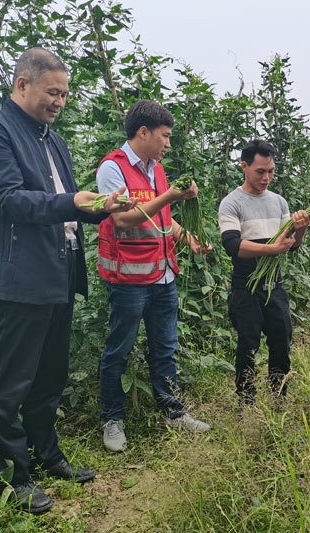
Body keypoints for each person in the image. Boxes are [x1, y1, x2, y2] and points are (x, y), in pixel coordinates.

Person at [0, 47, 137, 513]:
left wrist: (99, 206)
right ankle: (12, 475)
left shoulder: (52, 139)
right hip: (19, 280)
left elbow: (68, 204)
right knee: (11, 383)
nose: (59, 102)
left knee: (49, 376)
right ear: (22, 85)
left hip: (59, 274)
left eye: (64, 94)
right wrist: (78, 203)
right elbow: (8, 200)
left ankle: (47, 455)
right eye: (51, 92)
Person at [96, 100, 212, 452]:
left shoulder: (157, 170)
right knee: (119, 350)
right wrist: (170, 195)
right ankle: (113, 418)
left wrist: (186, 237)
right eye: (165, 136)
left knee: (166, 347)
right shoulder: (112, 169)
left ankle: (172, 411)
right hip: (129, 281)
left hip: (163, 276)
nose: (168, 144)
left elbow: (163, 218)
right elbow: (123, 219)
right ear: (143, 132)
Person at [218, 140, 310, 404]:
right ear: (244, 166)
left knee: (282, 342)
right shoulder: (231, 203)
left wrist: (301, 228)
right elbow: (232, 246)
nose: (267, 177)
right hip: (245, 287)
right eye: (260, 171)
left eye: (270, 171)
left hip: (275, 286)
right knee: (248, 345)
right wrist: (273, 249)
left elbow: (291, 246)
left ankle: (278, 397)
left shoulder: (279, 202)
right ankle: (247, 403)